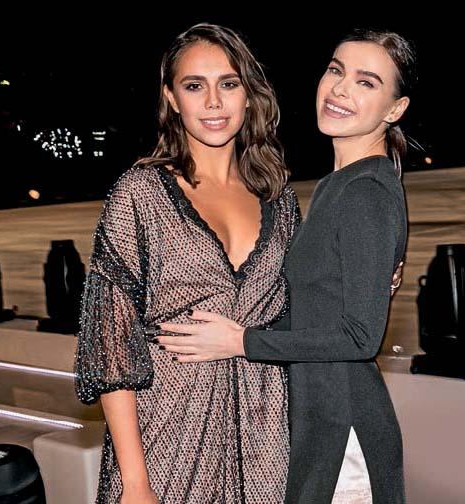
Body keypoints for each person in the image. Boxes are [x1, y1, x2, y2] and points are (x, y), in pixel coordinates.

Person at [157, 28, 415, 504]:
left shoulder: (364, 192)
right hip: (322, 421)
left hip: (345, 436)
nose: (340, 89)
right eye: (336, 71)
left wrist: (240, 341)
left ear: (394, 109)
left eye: (366, 82)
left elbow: (360, 337)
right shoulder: (339, 185)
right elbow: (320, 308)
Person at [74, 23, 300, 503]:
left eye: (228, 83)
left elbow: (302, 307)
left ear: (248, 93)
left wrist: (375, 276)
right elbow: (111, 348)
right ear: (172, 99)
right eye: (195, 86)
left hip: (265, 434)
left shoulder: (279, 198)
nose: (214, 102)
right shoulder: (140, 194)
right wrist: (136, 484)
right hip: (169, 434)